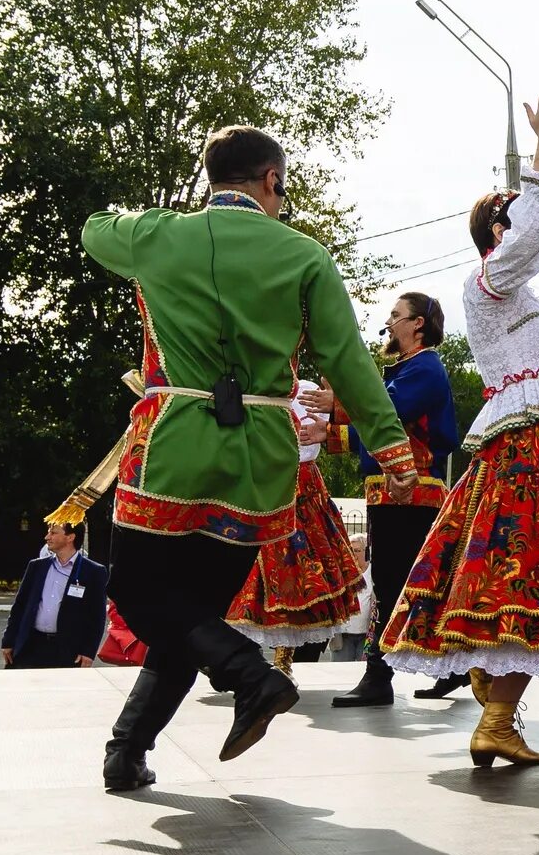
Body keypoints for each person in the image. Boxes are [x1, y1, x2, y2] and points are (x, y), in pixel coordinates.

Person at [83, 125, 415, 792]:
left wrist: (145, 220)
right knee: (196, 609)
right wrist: (391, 448)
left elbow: (95, 229)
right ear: (270, 180)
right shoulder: (304, 255)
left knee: (141, 591)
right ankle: (127, 751)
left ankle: (249, 674)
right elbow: (347, 360)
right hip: (262, 456)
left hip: (174, 443)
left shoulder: (158, 236)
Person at [375, 93, 539, 766]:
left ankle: (496, 700)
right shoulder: (485, 285)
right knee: (528, 573)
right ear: (500, 232)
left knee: (536, 574)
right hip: (527, 446)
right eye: (514, 220)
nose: (525, 232)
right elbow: (537, 228)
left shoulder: (525, 299)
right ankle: (497, 711)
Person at [325, 290, 461, 708]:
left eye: (397, 314)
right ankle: (453, 666)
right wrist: (331, 432)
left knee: (390, 582)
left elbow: (386, 412)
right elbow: (381, 431)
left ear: (418, 324)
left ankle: (379, 675)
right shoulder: (408, 369)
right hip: (394, 491)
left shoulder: (425, 368)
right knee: (410, 581)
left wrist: (338, 403)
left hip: (411, 492)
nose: (389, 321)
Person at [222, 381, 364, 672]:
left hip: (298, 492)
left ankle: (281, 658)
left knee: (294, 577)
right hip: (256, 485)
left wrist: (338, 400)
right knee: (239, 578)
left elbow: (350, 418)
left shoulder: (307, 391)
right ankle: (229, 658)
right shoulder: (246, 385)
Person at [1, 519, 109, 668]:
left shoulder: (93, 571)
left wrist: (88, 651)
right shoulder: (37, 566)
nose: (47, 537)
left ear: (70, 537)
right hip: (31, 645)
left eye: (53, 533)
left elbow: (96, 617)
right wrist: (8, 640)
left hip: (67, 651)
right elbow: (20, 606)